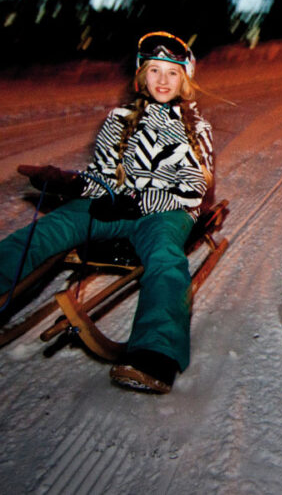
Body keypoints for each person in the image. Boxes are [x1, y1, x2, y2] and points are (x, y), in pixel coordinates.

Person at [0, 31, 214, 393]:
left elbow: (192, 190)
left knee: (164, 258)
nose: (162, 80)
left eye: (172, 73)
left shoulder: (196, 129)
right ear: (141, 75)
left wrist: (141, 203)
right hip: (116, 204)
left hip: (167, 211)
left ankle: (155, 353)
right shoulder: (119, 121)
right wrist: (71, 183)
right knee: (50, 228)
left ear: (185, 78)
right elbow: (102, 176)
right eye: (154, 70)